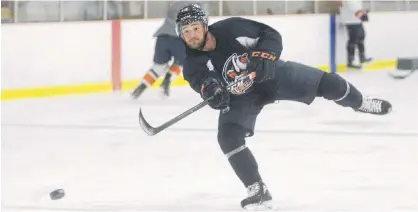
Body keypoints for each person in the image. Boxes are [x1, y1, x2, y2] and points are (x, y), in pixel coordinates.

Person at [175, 4, 392, 210]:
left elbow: (270, 35)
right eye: (186, 31)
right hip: (241, 97)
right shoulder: (192, 64)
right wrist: (214, 94)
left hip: (273, 75)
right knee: (228, 136)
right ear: (180, 34)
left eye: (195, 28)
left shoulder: (232, 28)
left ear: (205, 26)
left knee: (329, 83)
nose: (192, 34)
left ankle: (361, 102)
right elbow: (204, 84)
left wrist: (262, 58)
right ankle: (257, 189)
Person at [132, 1, 208, 99]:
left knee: (159, 67)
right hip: (179, 39)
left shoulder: (176, 3)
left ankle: (140, 88)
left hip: (162, 37)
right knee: (183, 62)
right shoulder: (200, 5)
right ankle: (167, 80)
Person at [339, 0, 372, 69]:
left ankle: (362, 57)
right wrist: (361, 13)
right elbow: (352, 7)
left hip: (356, 21)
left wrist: (362, 13)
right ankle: (350, 62)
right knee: (353, 41)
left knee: (361, 37)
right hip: (351, 21)